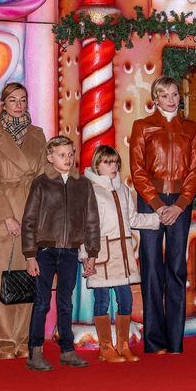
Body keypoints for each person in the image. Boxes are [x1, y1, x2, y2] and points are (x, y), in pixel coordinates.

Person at [130, 77, 196, 354]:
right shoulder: (142, 127)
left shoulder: (192, 129)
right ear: (155, 98)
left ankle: (174, 342)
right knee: (151, 268)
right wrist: (159, 206)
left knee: (176, 269)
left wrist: (180, 204)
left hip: (180, 205)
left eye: (174, 94)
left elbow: (195, 171)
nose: (171, 99)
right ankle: (154, 341)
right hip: (151, 202)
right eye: (165, 95)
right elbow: (137, 171)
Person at [22, 136, 100, 371]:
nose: (68, 159)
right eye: (62, 154)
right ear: (50, 157)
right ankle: (35, 352)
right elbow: (29, 220)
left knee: (66, 302)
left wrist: (91, 252)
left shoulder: (83, 184)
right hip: (45, 251)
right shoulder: (41, 183)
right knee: (42, 302)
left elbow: (91, 221)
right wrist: (30, 255)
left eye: (70, 154)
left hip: (70, 252)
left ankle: (67, 350)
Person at [82, 145, 160, 362]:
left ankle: (123, 344)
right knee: (102, 300)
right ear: (97, 165)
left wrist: (158, 219)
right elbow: (85, 227)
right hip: (101, 254)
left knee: (125, 300)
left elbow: (133, 219)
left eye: (115, 162)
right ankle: (106, 347)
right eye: (107, 162)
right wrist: (86, 256)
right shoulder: (90, 191)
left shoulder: (124, 190)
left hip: (123, 255)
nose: (113, 166)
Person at [0, 82, 47, 360]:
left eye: (23, 100)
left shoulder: (38, 135)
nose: (19, 104)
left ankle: (25, 338)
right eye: (13, 100)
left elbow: (47, 173)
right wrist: (5, 215)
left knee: (30, 276)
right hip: (2, 217)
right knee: (1, 279)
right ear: (3, 103)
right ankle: (3, 341)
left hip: (32, 211)